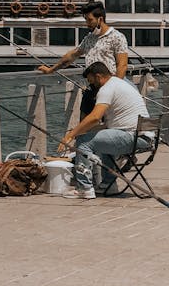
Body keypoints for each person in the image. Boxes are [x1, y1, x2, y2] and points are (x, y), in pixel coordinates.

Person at [59, 61, 152, 200]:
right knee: (104, 141)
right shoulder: (121, 83)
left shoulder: (107, 88)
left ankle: (84, 188)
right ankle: (109, 185)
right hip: (146, 137)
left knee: (83, 142)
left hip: (131, 137)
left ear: (98, 76)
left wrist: (70, 135)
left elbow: (95, 117)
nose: (92, 85)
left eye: (92, 81)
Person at [38, 2, 129, 115]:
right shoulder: (89, 38)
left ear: (100, 19)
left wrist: (115, 90)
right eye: (86, 20)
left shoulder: (117, 37)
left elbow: (122, 65)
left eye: (90, 20)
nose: (87, 24)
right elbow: (71, 56)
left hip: (109, 88)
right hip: (91, 88)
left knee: (105, 124)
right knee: (85, 122)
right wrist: (51, 69)